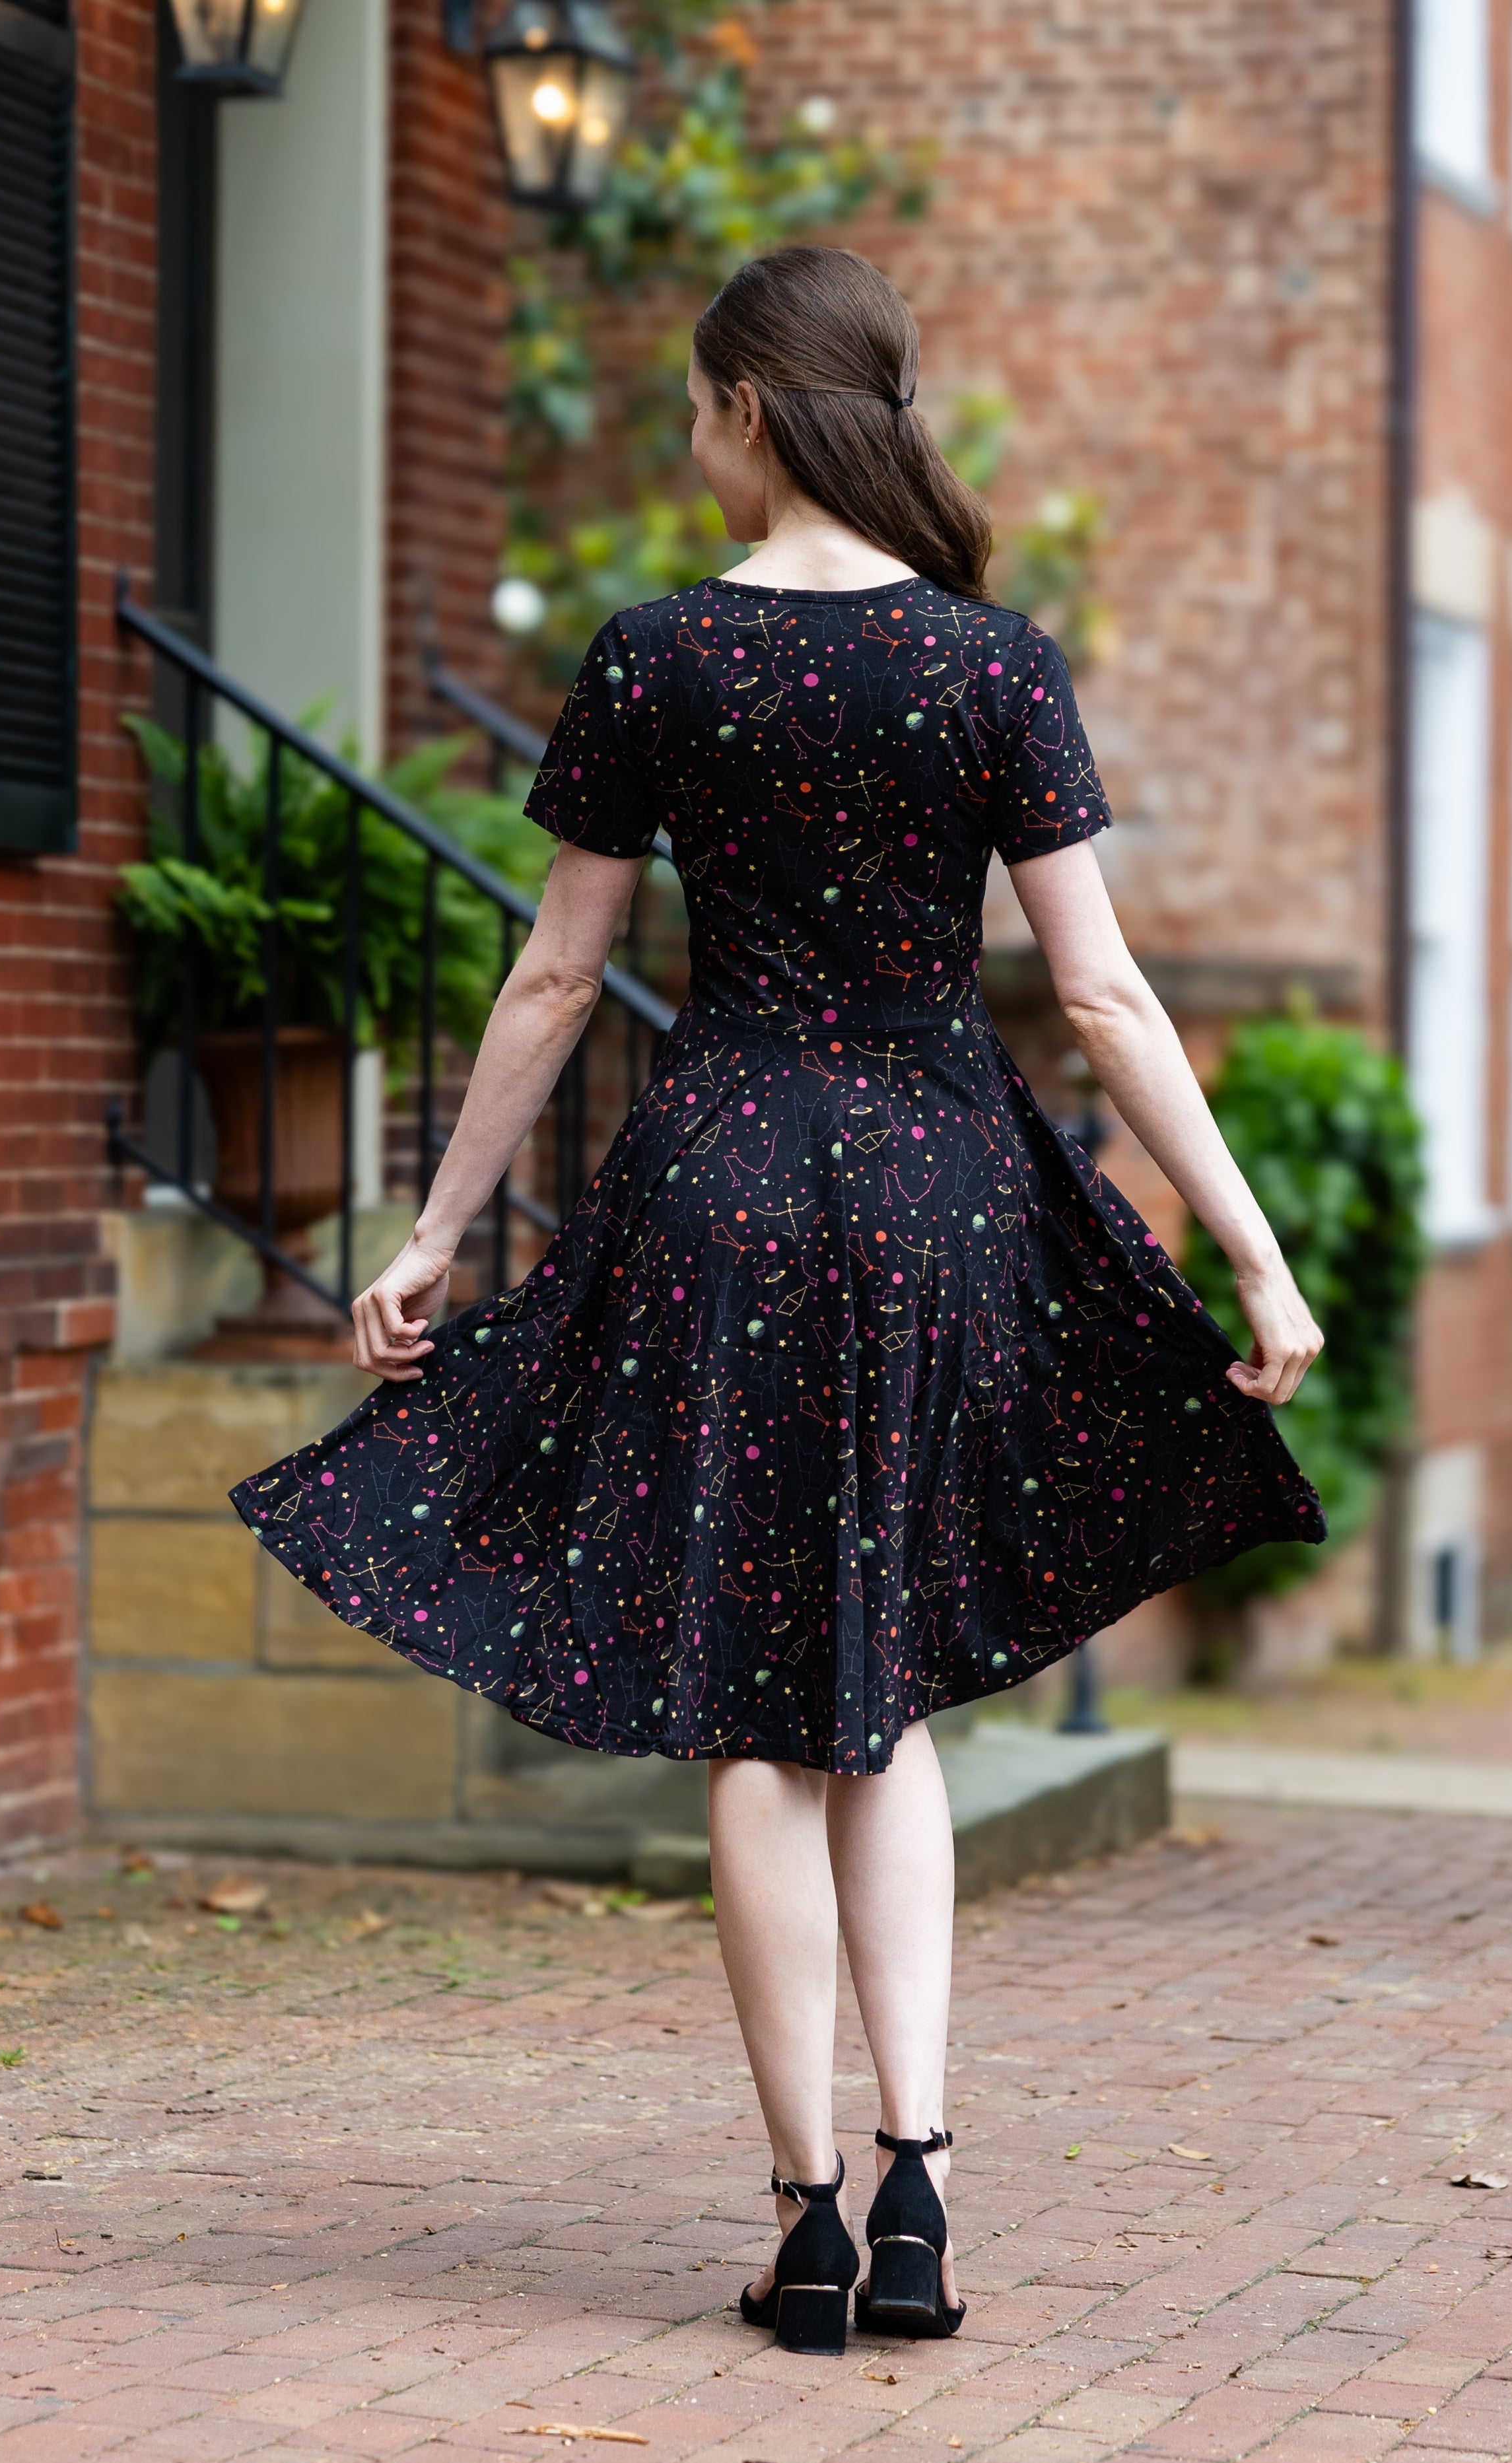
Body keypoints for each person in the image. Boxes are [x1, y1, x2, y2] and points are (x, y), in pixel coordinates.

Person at [232, 243, 1325, 2356]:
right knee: (878, 1696)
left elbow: (556, 973)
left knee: (755, 1709)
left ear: (749, 406)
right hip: (933, 1184)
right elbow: (1096, 988)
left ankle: (806, 2216)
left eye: (696, 405)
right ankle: (922, 2182)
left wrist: (435, 1224)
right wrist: (1250, 1242)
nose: (689, 436)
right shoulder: (994, 664)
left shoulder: (656, 657)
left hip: (723, 1180)